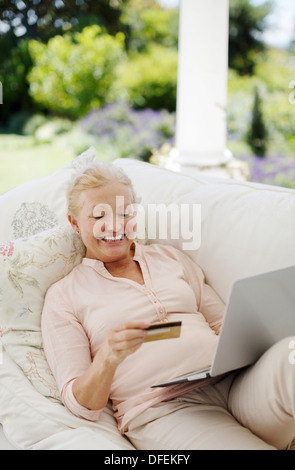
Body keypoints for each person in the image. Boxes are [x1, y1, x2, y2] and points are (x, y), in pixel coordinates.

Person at [41, 162, 295, 450]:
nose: (114, 226)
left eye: (125, 213)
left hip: (234, 383)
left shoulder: (168, 258)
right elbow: (81, 404)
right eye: (99, 216)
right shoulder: (64, 296)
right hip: (165, 411)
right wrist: (107, 358)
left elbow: (224, 324)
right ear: (74, 223)